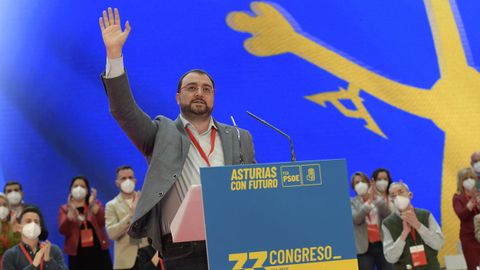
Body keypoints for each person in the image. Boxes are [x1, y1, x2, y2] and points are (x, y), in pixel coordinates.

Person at [98, 7, 256, 269]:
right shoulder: (161, 133)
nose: (199, 93)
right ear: (178, 97)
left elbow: (252, 189)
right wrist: (114, 55)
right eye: (191, 88)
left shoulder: (240, 137)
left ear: (214, 97)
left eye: (206, 89)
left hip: (232, 241)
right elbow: (124, 111)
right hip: (182, 248)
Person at [381, 181, 444, 269]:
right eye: (393, 195)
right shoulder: (387, 223)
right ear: (392, 201)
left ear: (410, 195)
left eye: (400, 192)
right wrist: (403, 235)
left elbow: (439, 244)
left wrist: (418, 225)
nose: (398, 197)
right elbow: (390, 258)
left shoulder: (425, 214)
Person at [58, 176, 112, 270]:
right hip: (77, 256)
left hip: (99, 253)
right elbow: (63, 231)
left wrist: (94, 207)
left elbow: (103, 222)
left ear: (87, 190)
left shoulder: (95, 204)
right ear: (71, 190)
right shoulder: (65, 209)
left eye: (82, 186)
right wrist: (69, 217)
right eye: (76, 186)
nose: (79, 188)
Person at [105, 165, 149, 269]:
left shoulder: (145, 200)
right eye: (123, 178)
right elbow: (112, 234)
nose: (127, 181)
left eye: (130, 177)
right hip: (125, 262)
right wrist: (131, 215)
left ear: (135, 180)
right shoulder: (111, 205)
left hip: (149, 257)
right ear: (117, 183)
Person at [2, 206, 67, 270]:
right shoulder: (10, 255)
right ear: (19, 227)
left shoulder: (53, 250)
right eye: (28, 221)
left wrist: (49, 261)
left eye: (36, 222)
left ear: (40, 228)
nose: (33, 224)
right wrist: (34, 265)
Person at [350, 172, 392, 270]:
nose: (360, 184)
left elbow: (388, 216)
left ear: (369, 183)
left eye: (363, 181)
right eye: (357, 182)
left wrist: (375, 198)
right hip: (364, 248)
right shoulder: (351, 202)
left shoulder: (379, 199)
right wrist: (369, 201)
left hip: (382, 245)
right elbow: (357, 219)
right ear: (353, 187)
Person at [452, 168, 480, 270]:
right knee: (474, 266)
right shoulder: (457, 198)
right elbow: (461, 215)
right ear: (461, 181)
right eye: (466, 178)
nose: (469, 180)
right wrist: (472, 202)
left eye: (471, 177)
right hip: (469, 238)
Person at [0, 193, 21, 267]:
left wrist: (16, 233)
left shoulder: (12, 225)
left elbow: (16, 250)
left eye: (4, 205)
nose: (2, 208)